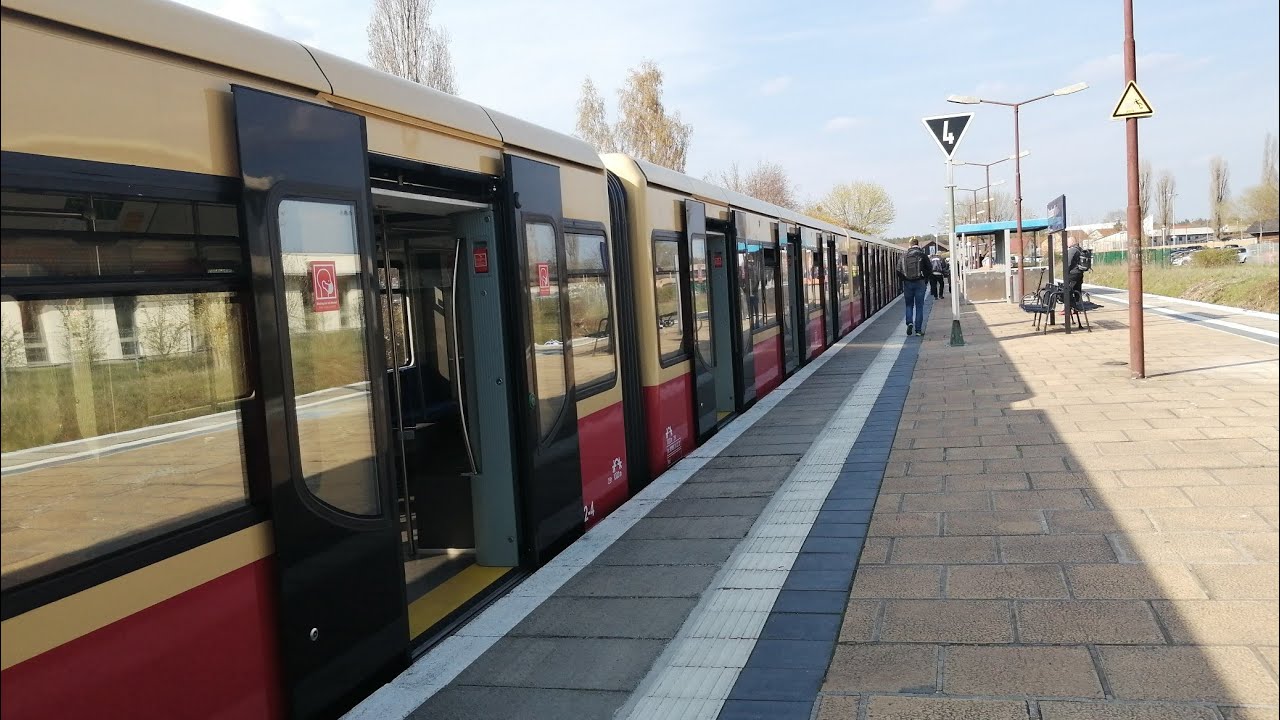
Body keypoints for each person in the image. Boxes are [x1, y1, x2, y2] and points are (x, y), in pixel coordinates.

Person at [896, 238, 930, 337]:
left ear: (910, 245)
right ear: (917, 244)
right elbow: (929, 269)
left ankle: (909, 322)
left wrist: (904, 280)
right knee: (919, 306)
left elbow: (898, 270)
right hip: (920, 283)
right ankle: (918, 330)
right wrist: (925, 279)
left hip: (907, 283)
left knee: (909, 305)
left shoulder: (903, 256)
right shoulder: (922, 255)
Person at [1064, 237, 1086, 322]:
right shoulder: (1079, 249)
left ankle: (1068, 308)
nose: (1066, 244)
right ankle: (1077, 308)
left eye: (1067, 242)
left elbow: (1068, 262)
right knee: (1077, 291)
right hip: (1079, 273)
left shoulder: (1072, 250)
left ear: (1071, 242)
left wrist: (1065, 272)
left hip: (1072, 274)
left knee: (1068, 291)